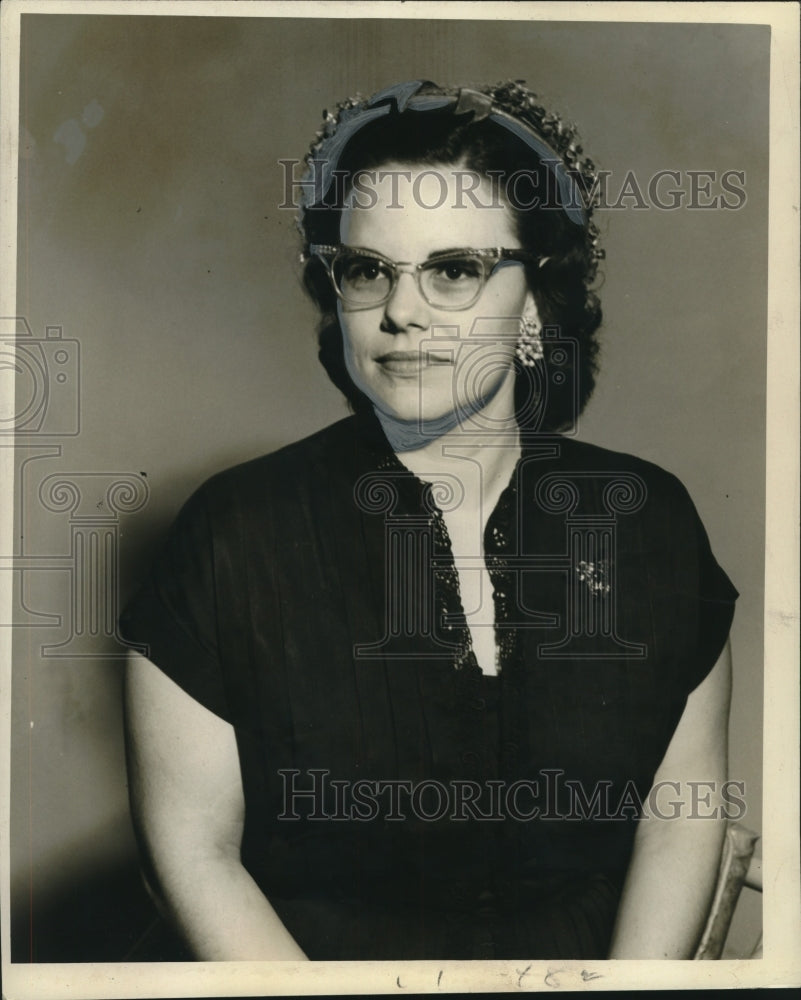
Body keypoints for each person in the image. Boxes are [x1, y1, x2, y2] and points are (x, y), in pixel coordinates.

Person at [120, 79, 738, 961]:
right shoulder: (232, 535)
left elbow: (679, 823)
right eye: (366, 270)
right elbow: (190, 855)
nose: (400, 312)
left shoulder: (649, 524)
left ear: (536, 303)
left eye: (453, 270)